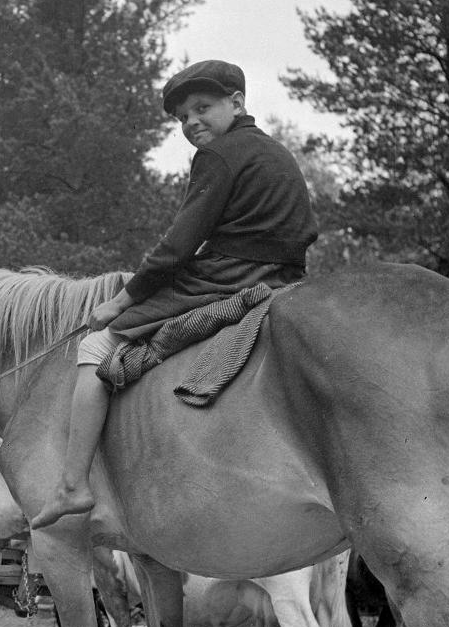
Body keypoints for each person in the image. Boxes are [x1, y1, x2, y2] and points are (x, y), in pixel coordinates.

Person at [30, 60, 318, 528]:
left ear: (238, 102)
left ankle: (73, 484)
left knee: (96, 347)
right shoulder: (274, 152)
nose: (192, 123)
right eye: (183, 117)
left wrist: (122, 300)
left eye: (202, 108)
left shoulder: (220, 156)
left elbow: (178, 245)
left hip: (228, 277)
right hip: (283, 276)